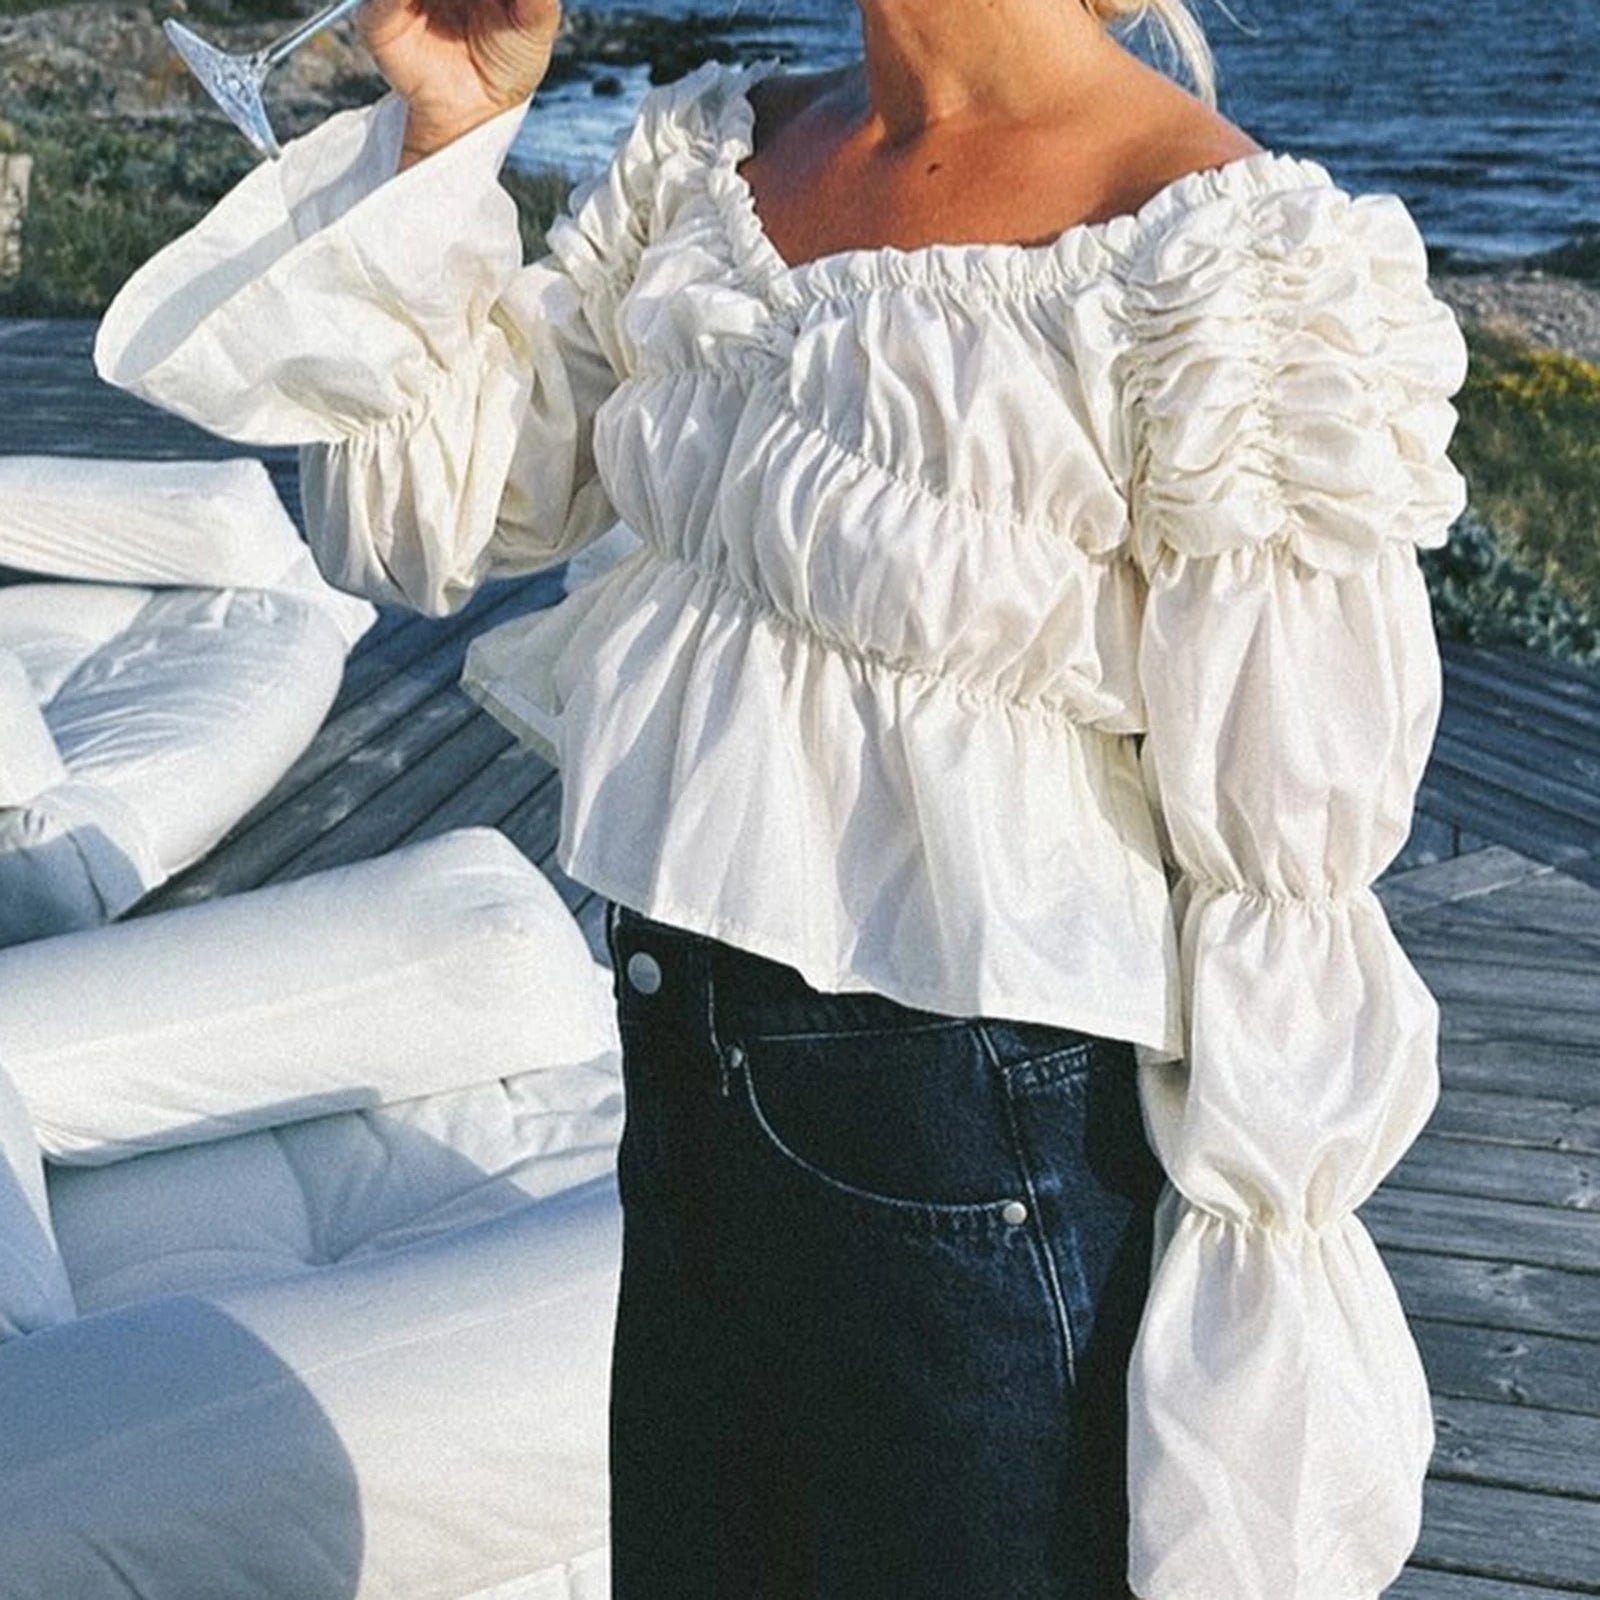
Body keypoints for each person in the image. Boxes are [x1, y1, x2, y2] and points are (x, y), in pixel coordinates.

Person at [94, 0, 1469, 1594]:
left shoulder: (1225, 269)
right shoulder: (717, 156)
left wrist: (1247, 1465)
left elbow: (1285, 878)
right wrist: (456, 128)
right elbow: (431, 528)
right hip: (683, 1093)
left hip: (982, 1147)